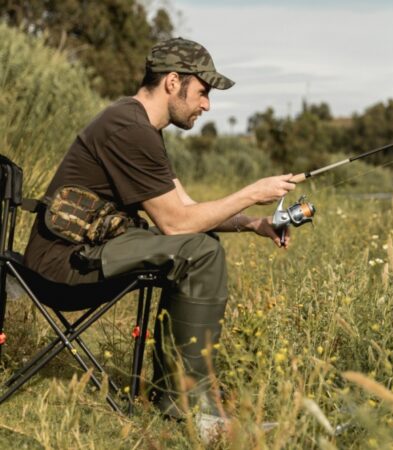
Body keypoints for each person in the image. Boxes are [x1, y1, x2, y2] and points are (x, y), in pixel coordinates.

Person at [23, 37, 294, 435]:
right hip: (62, 266)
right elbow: (177, 225)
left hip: (82, 253)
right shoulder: (127, 127)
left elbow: (187, 209)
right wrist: (252, 192)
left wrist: (253, 223)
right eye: (202, 92)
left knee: (202, 246)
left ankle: (180, 400)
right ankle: (194, 410)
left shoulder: (139, 127)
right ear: (172, 82)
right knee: (199, 251)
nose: (207, 105)